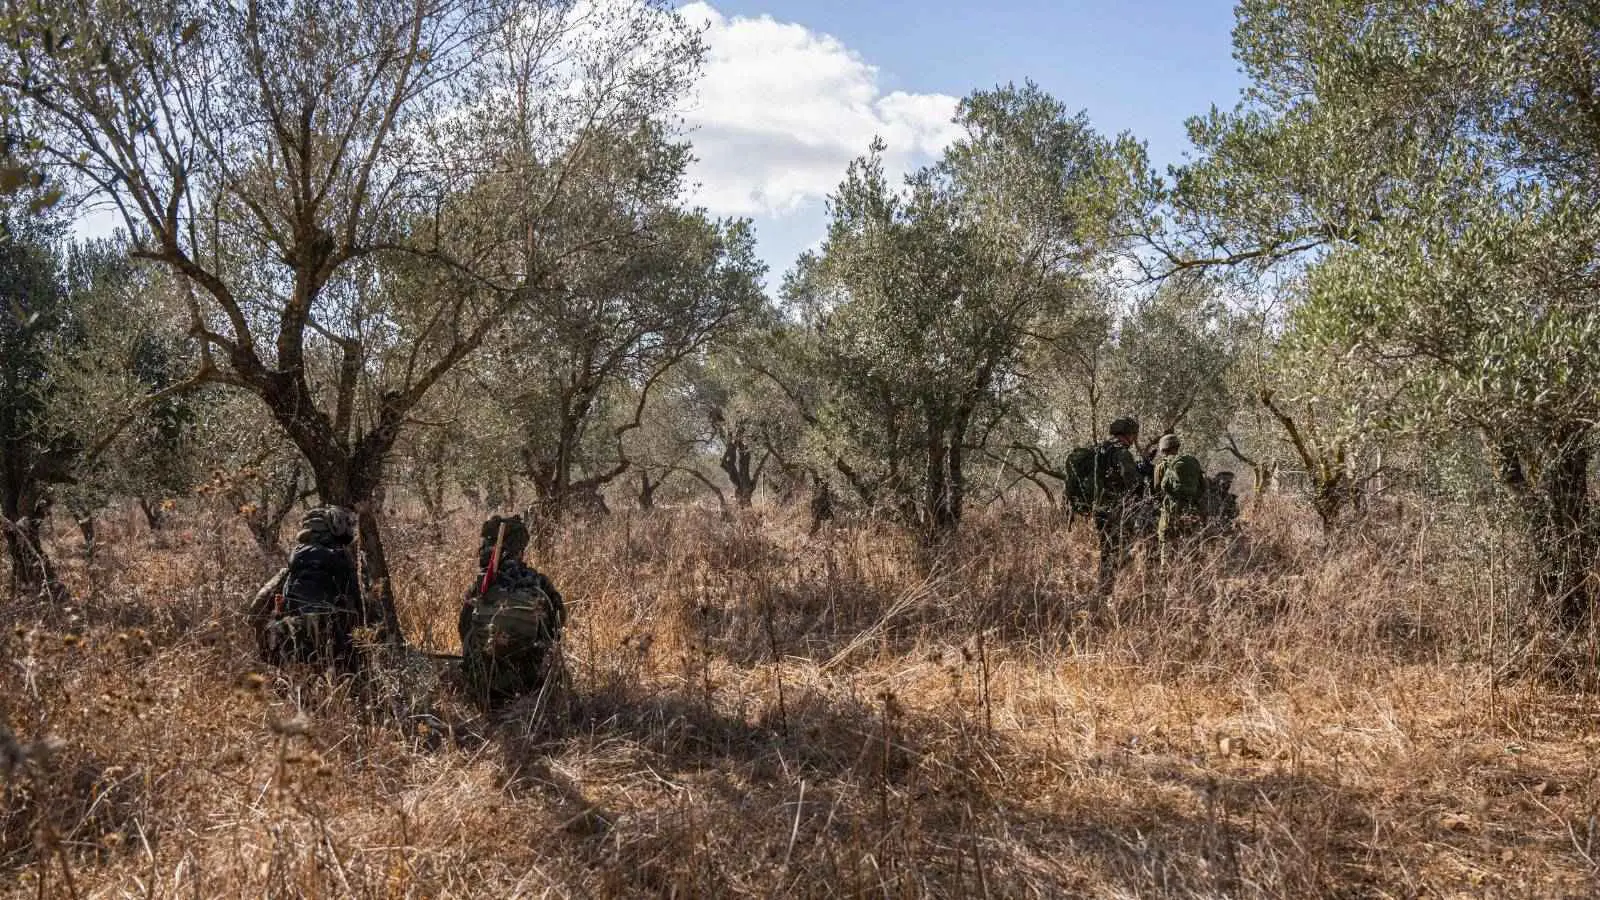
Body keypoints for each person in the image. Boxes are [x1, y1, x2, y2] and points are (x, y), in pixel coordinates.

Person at [459, 514, 566, 708]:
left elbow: (464, 631)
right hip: (531, 686)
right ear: (521, 551)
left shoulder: (480, 586)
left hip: (483, 686)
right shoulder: (539, 583)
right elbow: (557, 629)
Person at [255, 505, 365, 671]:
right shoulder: (341, 559)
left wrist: (267, 654)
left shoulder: (295, 563)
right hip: (337, 646)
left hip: (296, 644)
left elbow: (256, 609)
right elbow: (360, 606)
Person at [1092, 417, 1143, 597]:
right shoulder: (1122, 453)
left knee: (1107, 551)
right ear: (1128, 434)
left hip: (1099, 509)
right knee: (1121, 551)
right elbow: (1133, 482)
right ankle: (1106, 592)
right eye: (1134, 435)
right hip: (1116, 511)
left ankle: (1106, 589)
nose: (1134, 439)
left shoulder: (1101, 449)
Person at [1153, 433, 1207, 568]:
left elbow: (1157, 489)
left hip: (1170, 513)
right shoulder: (1191, 462)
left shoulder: (1161, 466)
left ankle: (1166, 576)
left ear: (1162, 449)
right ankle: (1192, 575)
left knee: (1167, 544)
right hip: (1190, 511)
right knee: (1191, 545)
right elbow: (1203, 487)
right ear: (1177, 447)